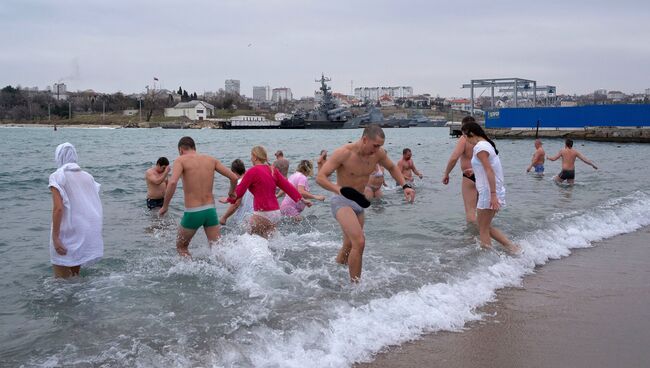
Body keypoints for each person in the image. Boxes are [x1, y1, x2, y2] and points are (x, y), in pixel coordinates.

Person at [316, 124, 416, 282]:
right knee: (359, 242)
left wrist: (405, 186)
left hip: (359, 202)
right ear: (364, 139)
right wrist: (338, 189)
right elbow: (320, 177)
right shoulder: (344, 153)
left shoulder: (378, 154)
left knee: (349, 244)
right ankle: (356, 287)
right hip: (341, 201)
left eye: (380, 146)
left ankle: (335, 271)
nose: (377, 150)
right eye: (375, 145)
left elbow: (391, 167)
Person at [159, 137, 238, 257]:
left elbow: (173, 182)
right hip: (210, 211)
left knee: (182, 247)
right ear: (194, 148)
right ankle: (232, 271)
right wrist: (231, 193)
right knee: (217, 249)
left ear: (180, 149)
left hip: (193, 212)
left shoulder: (180, 160)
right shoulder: (211, 159)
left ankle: (189, 275)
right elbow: (234, 178)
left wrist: (165, 206)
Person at [461, 122, 520, 254]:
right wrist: (474, 170)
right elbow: (489, 167)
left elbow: (489, 171)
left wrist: (493, 195)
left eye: (464, 135)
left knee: (482, 228)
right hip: (489, 190)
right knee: (483, 226)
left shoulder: (481, 147)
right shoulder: (485, 144)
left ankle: (488, 259)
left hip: (488, 192)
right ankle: (512, 248)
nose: (464, 138)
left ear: (471, 134)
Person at [48, 142, 103, 278]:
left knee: (60, 278)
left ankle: (65, 299)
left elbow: (58, 209)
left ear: (58, 156)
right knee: (74, 274)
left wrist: (55, 237)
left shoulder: (57, 176)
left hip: (67, 230)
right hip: (85, 228)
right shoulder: (87, 176)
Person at [231, 146, 310, 238]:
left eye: (251, 156)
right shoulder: (273, 170)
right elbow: (288, 187)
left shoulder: (252, 171)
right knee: (269, 241)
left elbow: (239, 192)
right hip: (276, 213)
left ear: (255, 157)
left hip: (262, 213)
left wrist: (229, 199)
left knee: (249, 238)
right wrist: (302, 200)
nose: (251, 159)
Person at [442, 116, 478, 223]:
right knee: (483, 211)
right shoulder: (483, 138)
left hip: (470, 176)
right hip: (484, 175)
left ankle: (472, 238)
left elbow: (454, 158)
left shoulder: (464, 138)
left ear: (463, 126)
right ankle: (485, 235)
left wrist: (446, 173)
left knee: (470, 211)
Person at [218, 159, 254, 227]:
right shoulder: (251, 181)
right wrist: (228, 199)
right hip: (254, 217)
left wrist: (224, 217)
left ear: (233, 172)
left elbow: (236, 204)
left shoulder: (238, 183)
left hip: (243, 221)